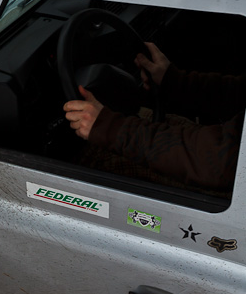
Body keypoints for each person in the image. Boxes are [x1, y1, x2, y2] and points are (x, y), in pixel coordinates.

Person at [63, 43, 246, 190]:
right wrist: (175, 80)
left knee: (98, 159)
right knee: (147, 117)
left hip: (228, 185)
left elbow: (220, 161)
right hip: (223, 149)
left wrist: (108, 127)